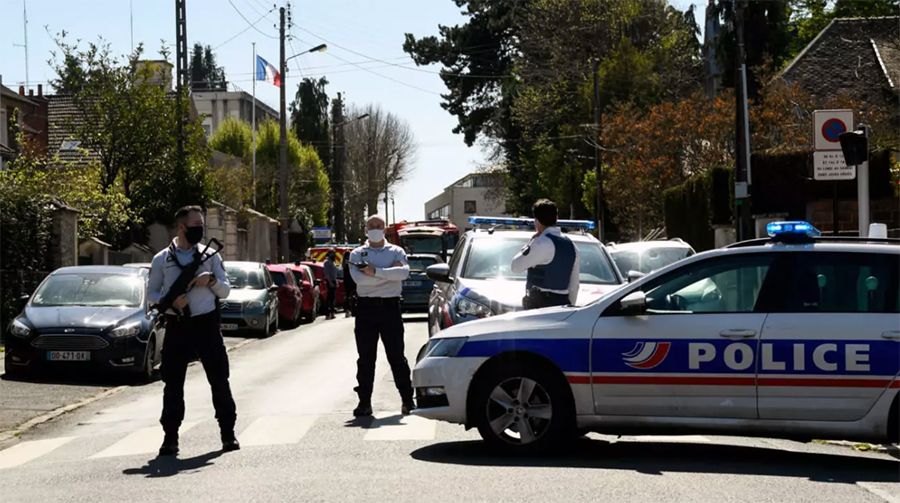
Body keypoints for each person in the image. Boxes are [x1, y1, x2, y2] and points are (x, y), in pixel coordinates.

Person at [147, 205, 239, 456]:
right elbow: (151, 294)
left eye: (202, 224)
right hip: (177, 326)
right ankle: (170, 437)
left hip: (206, 324)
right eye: (196, 224)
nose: (200, 228)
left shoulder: (211, 256)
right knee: (173, 383)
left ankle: (228, 433)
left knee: (219, 379)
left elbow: (226, 290)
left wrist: (210, 280)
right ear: (181, 227)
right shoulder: (162, 259)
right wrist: (172, 301)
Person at [347, 215, 415, 417]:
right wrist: (387, 274)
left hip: (390, 309)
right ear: (366, 229)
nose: (375, 229)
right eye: (371, 226)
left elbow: (403, 274)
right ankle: (364, 402)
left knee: (397, 357)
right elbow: (359, 280)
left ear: (384, 229)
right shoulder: (357, 253)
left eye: (378, 226)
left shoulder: (397, 251)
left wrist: (374, 271)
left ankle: (407, 400)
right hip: (366, 310)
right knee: (366, 359)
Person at [510, 198, 581, 310]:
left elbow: (515, 266)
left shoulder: (540, 243)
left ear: (536, 221)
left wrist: (530, 242)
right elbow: (574, 285)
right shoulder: (572, 246)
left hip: (540, 306)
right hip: (563, 305)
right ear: (556, 219)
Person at [323, 248, 338, 320]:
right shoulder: (327, 262)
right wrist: (330, 282)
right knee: (329, 298)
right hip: (329, 281)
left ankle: (332, 312)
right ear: (329, 253)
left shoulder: (333, 262)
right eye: (332, 253)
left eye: (334, 253)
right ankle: (327, 313)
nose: (334, 254)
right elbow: (326, 273)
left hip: (333, 280)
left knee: (333, 298)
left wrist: (336, 281)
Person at [342, 250, 357, 318]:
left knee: (348, 295)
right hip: (352, 280)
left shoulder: (344, 264)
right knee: (354, 294)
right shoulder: (350, 263)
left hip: (347, 281)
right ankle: (353, 309)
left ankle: (347, 310)